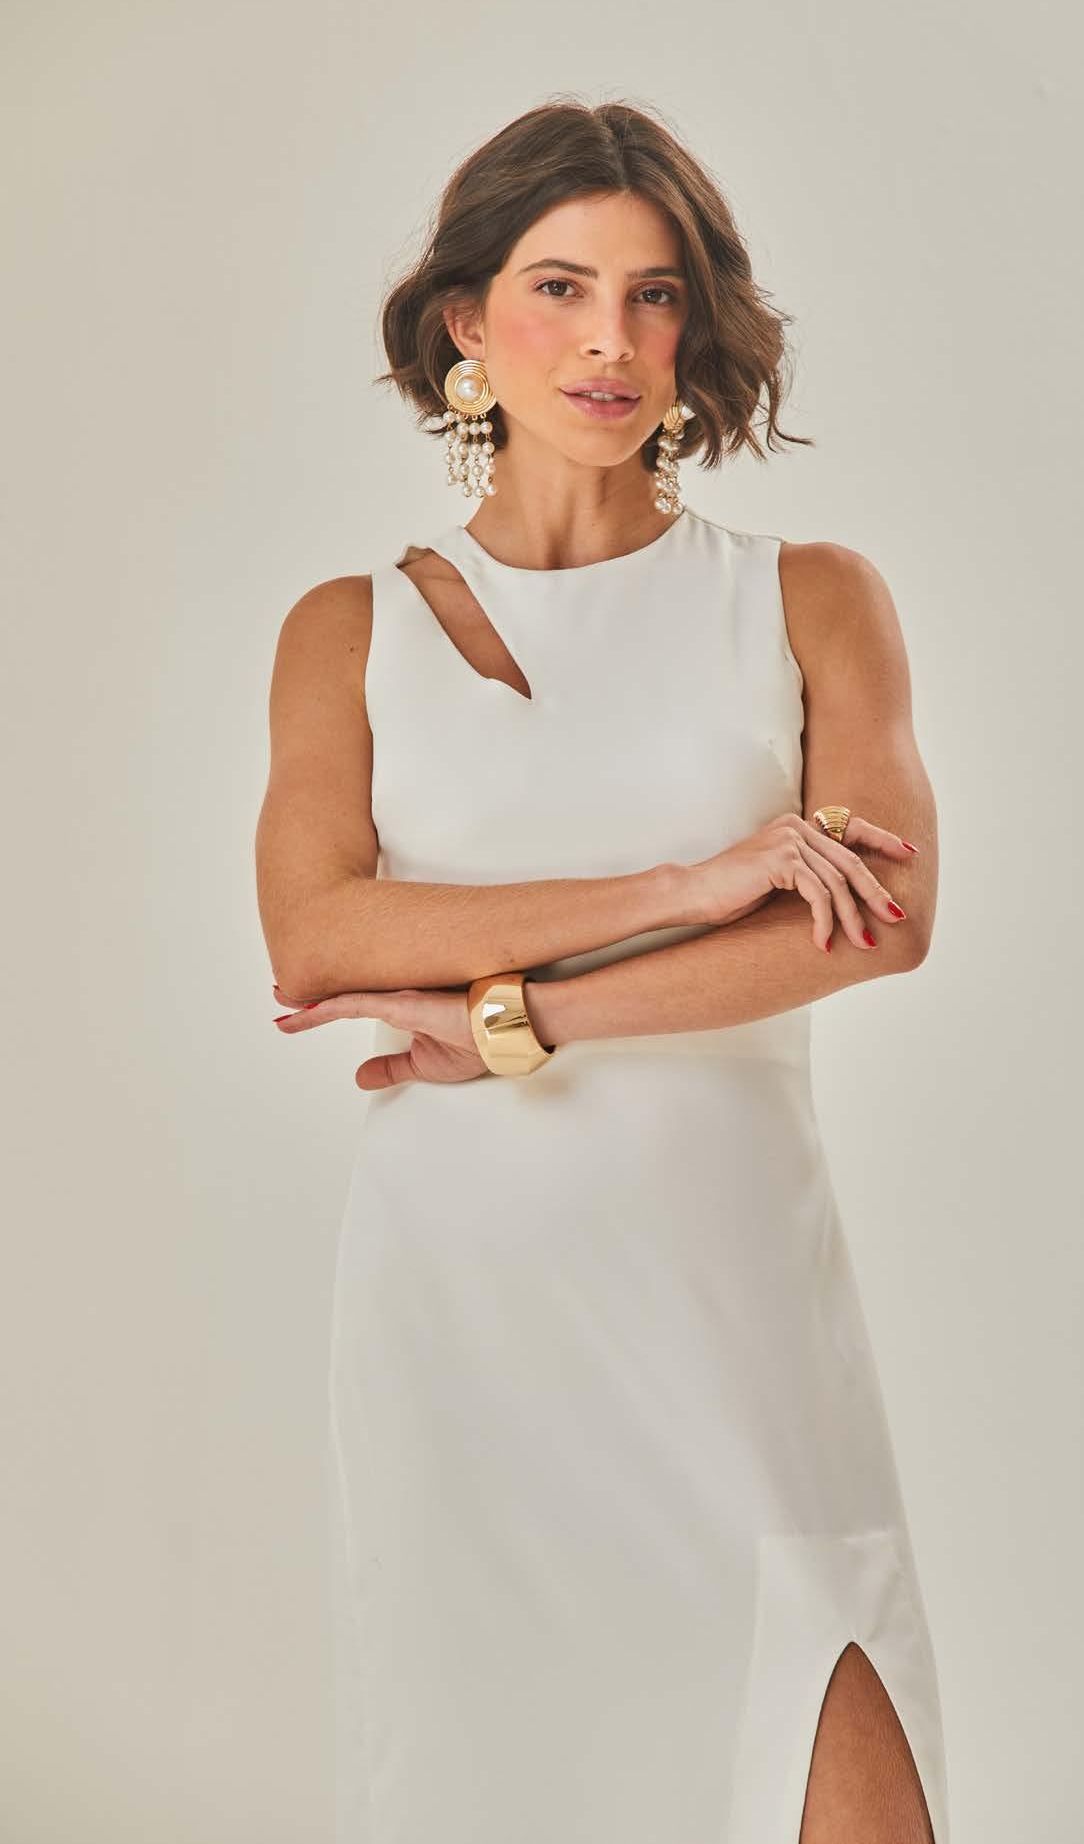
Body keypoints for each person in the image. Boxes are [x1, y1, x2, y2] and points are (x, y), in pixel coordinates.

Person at [256, 97, 949, 1844]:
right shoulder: (349, 631)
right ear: (466, 324)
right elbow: (320, 931)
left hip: (734, 1292)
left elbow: (879, 916)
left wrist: (521, 1017)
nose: (610, 341)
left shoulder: (809, 598)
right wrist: (690, 883)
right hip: (470, 1310)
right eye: (559, 288)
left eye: (654, 295)